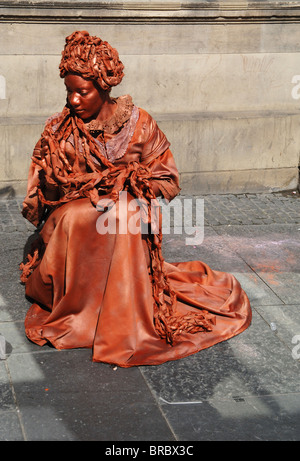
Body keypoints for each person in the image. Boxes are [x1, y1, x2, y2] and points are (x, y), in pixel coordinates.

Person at [20, 31, 251, 368]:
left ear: (103, 87)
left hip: (124, 223)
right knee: (84, 215)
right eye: (68, 92)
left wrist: (130, 182)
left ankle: (123, 308)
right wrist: (53, 172)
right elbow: (41, 203)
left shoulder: (140, 125)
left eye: (81, 92)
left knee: (126, 209)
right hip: (71, 231)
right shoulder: (59, 131)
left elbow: (168, 181)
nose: (73, 101)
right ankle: (84, 305)